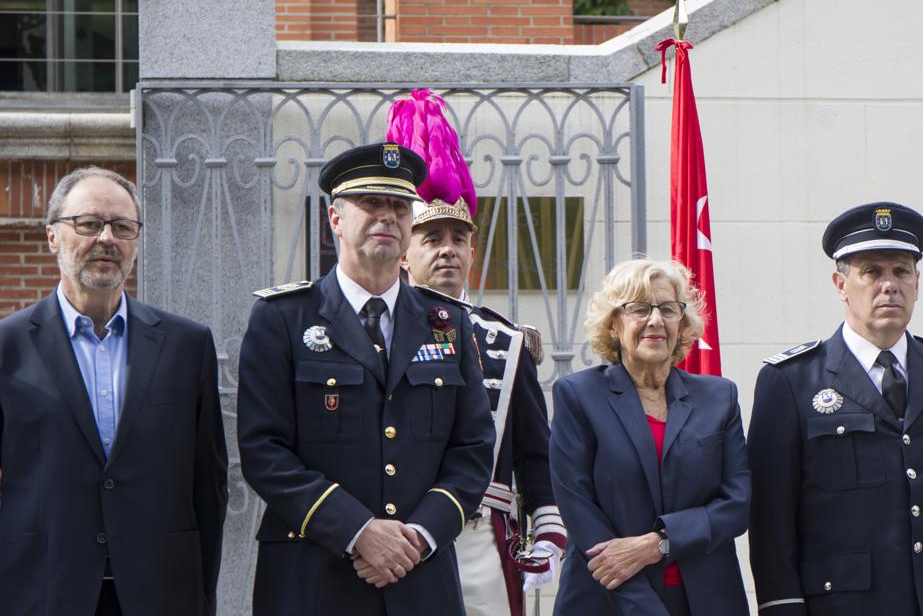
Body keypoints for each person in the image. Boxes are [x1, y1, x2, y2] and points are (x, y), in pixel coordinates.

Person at [237, 142, 495, 615]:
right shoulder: (282, 319)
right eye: (370, 203)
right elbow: (263, 450)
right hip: (314, 575)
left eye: (399, 205)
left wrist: (416, 536)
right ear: (335, 219)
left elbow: (473, 448)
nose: (387, 216)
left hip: (420, 575)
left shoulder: (447, 323)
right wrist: (359, 531)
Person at [748, 202, 923, 616]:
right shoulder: (790, 381)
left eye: (901, 271)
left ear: (917, 282)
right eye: (871, 271)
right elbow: (772, 525)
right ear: (841, 284)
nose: (889, 285)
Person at [0, 166, 228, 616]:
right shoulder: (7, 347)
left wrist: (202, 595)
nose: (106, 238)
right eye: (88, 224)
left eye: (122, 227)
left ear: (136, 242)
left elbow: (209, 486)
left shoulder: (187, 345)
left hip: (161, 592)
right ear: (51, 238)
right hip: (40, 591)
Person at [394, 88, 566, 616]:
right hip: (399, 532)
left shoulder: (507, 341)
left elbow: (536, 453)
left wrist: (549, 530)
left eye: (458, 237)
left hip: (481, 537)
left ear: (472, 249)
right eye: (431, 237)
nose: (447, 247)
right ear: (404, 253)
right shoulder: (374, 332)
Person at [549, 258, 750, 616]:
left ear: (682, 324)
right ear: (613, 324)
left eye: (668, 309)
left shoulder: (719, 397)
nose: (655, 320)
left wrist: (658, 544)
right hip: (609, 600)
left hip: (707, 600)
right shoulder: (578, 396)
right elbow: (577, 506)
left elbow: (737, 505)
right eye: (639, 309)